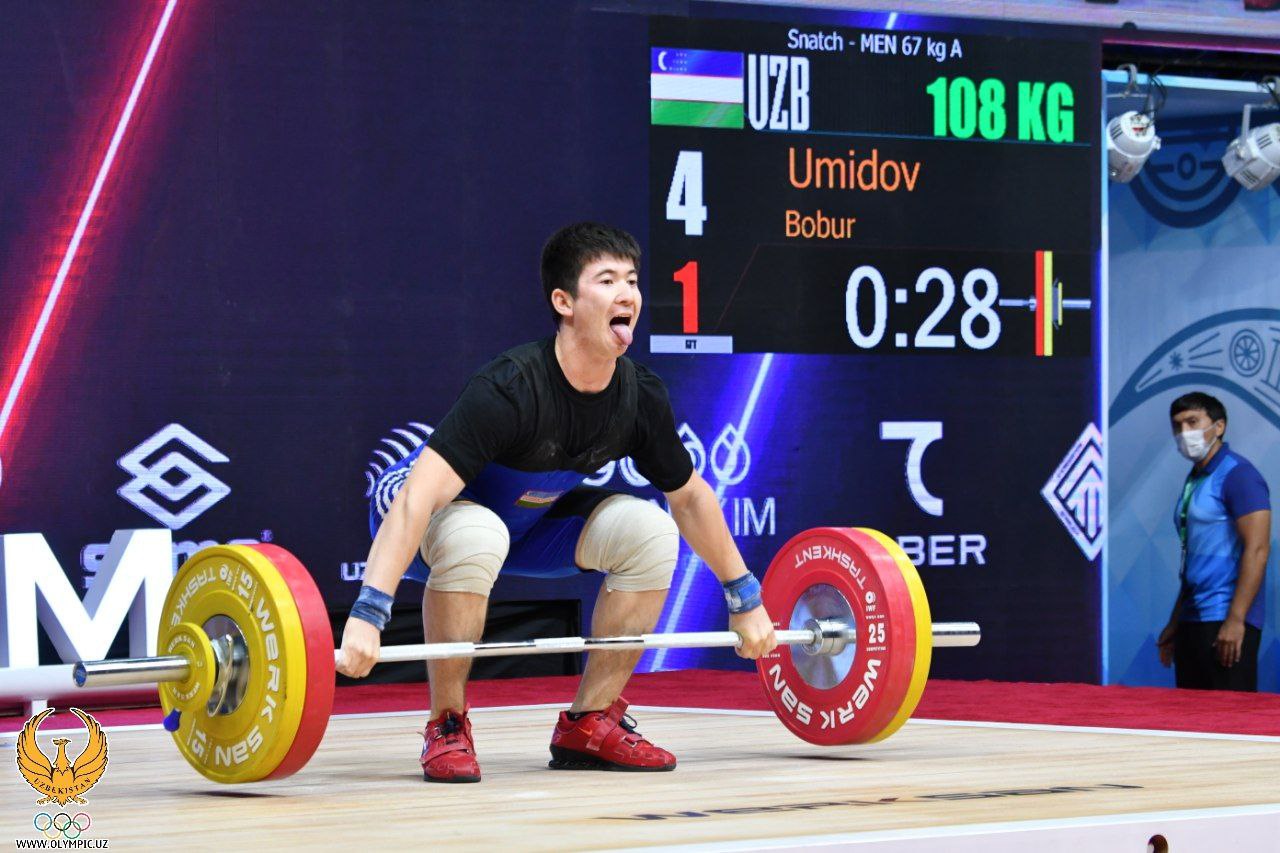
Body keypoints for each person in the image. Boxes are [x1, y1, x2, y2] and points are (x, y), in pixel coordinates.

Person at [336, 222, 777, 781]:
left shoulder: (638, 396)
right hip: (430, 520)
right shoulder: (510, 388)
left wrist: (745, 597)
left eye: (632, 280)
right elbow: (415, 501)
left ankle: (589, 724)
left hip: (527, 522)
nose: (627, 294)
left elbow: (689, 498)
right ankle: (447, 723)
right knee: (477, 536)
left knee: (651, 533)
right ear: (564, 302)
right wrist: (369, 613)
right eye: (607, 280)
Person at [1156, 392, 1270, 691]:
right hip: (1192, 618)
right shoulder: (1195, 479)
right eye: (1178, 425)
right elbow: (1194, 558)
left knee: (1230, 715)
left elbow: (1258, 549)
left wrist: (1236, 620)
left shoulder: (1239, 475)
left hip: (1225, 618)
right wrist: (1176, 621)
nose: (1185, 432)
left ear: (1219, 427)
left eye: (1193, 422)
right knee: (1190, 716)